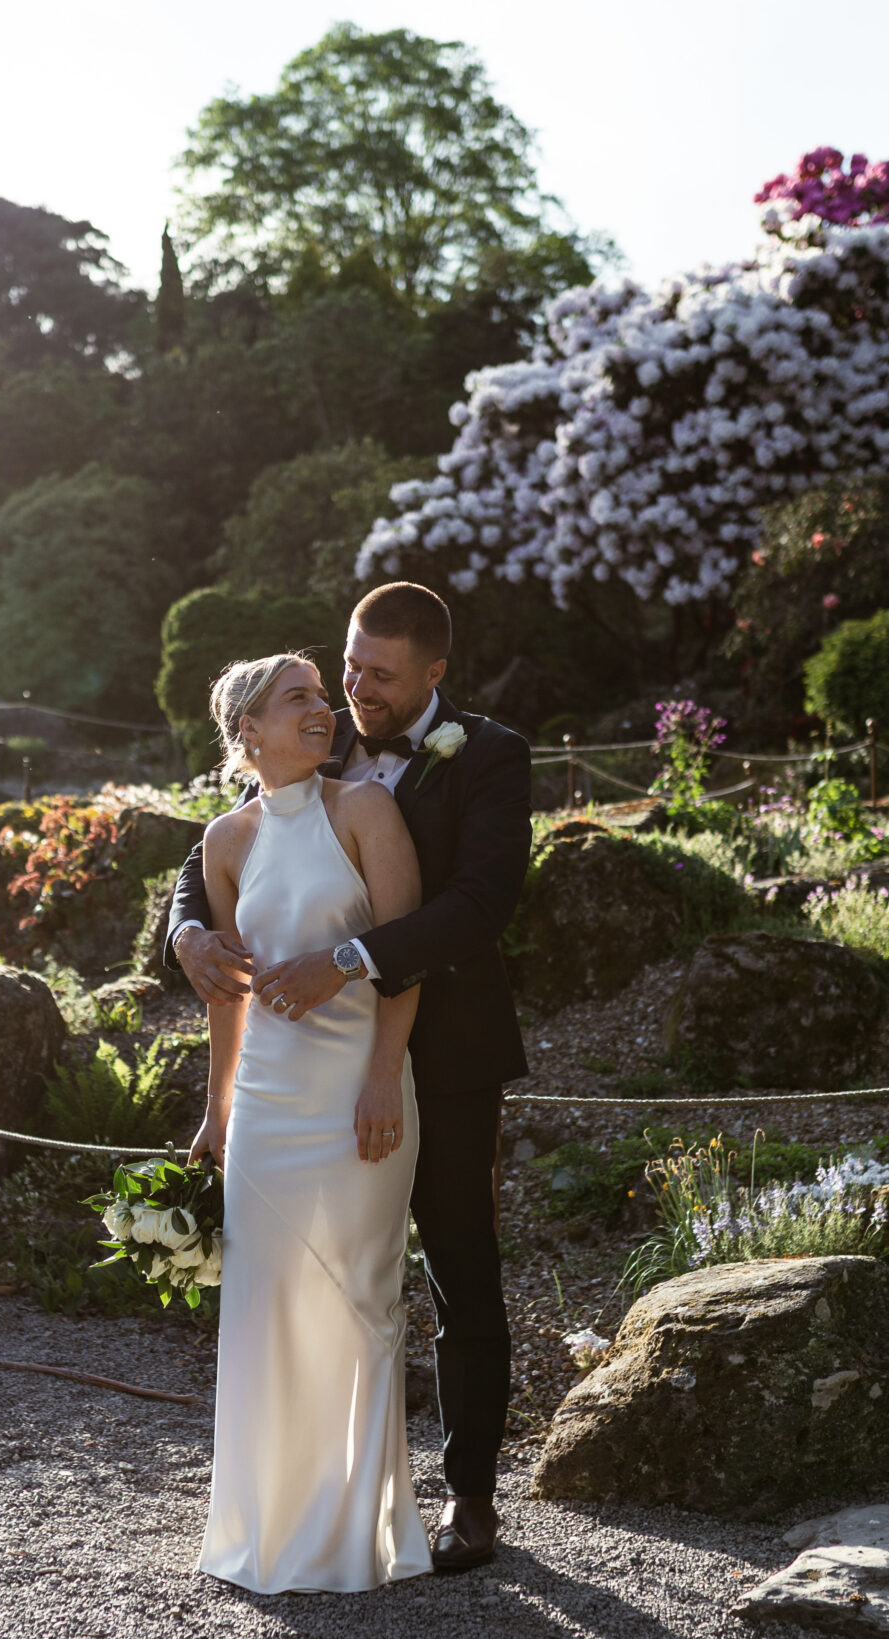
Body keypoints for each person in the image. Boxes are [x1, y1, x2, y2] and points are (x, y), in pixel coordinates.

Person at [168, 583, 532, 1576]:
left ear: (432, 673)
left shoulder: (488, 755)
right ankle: (301, 1499)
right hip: (300, 1078)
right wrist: (185, 930)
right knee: (300, 1283)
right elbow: (206, 865)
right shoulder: (307, 768)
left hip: (440, 1057)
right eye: (346, 667)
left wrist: (345, 964)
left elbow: (478, 904)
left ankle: (469, 1498)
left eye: (376, 674)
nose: (356, 689)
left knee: (455, 1268)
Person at [186, 651, 431, 1593]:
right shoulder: (223, 842)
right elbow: (227, 994)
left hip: (358, 1088)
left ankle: (356, 1532)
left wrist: (383, 1076)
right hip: (267, 1108)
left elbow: (405, 958)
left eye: (321, 697)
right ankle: (271, 1520)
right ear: (247, 730)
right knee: (265, 1307)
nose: (323, 708)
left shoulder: (365, 809)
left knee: (362, 1297)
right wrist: (216, 1109)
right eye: (298, 699)